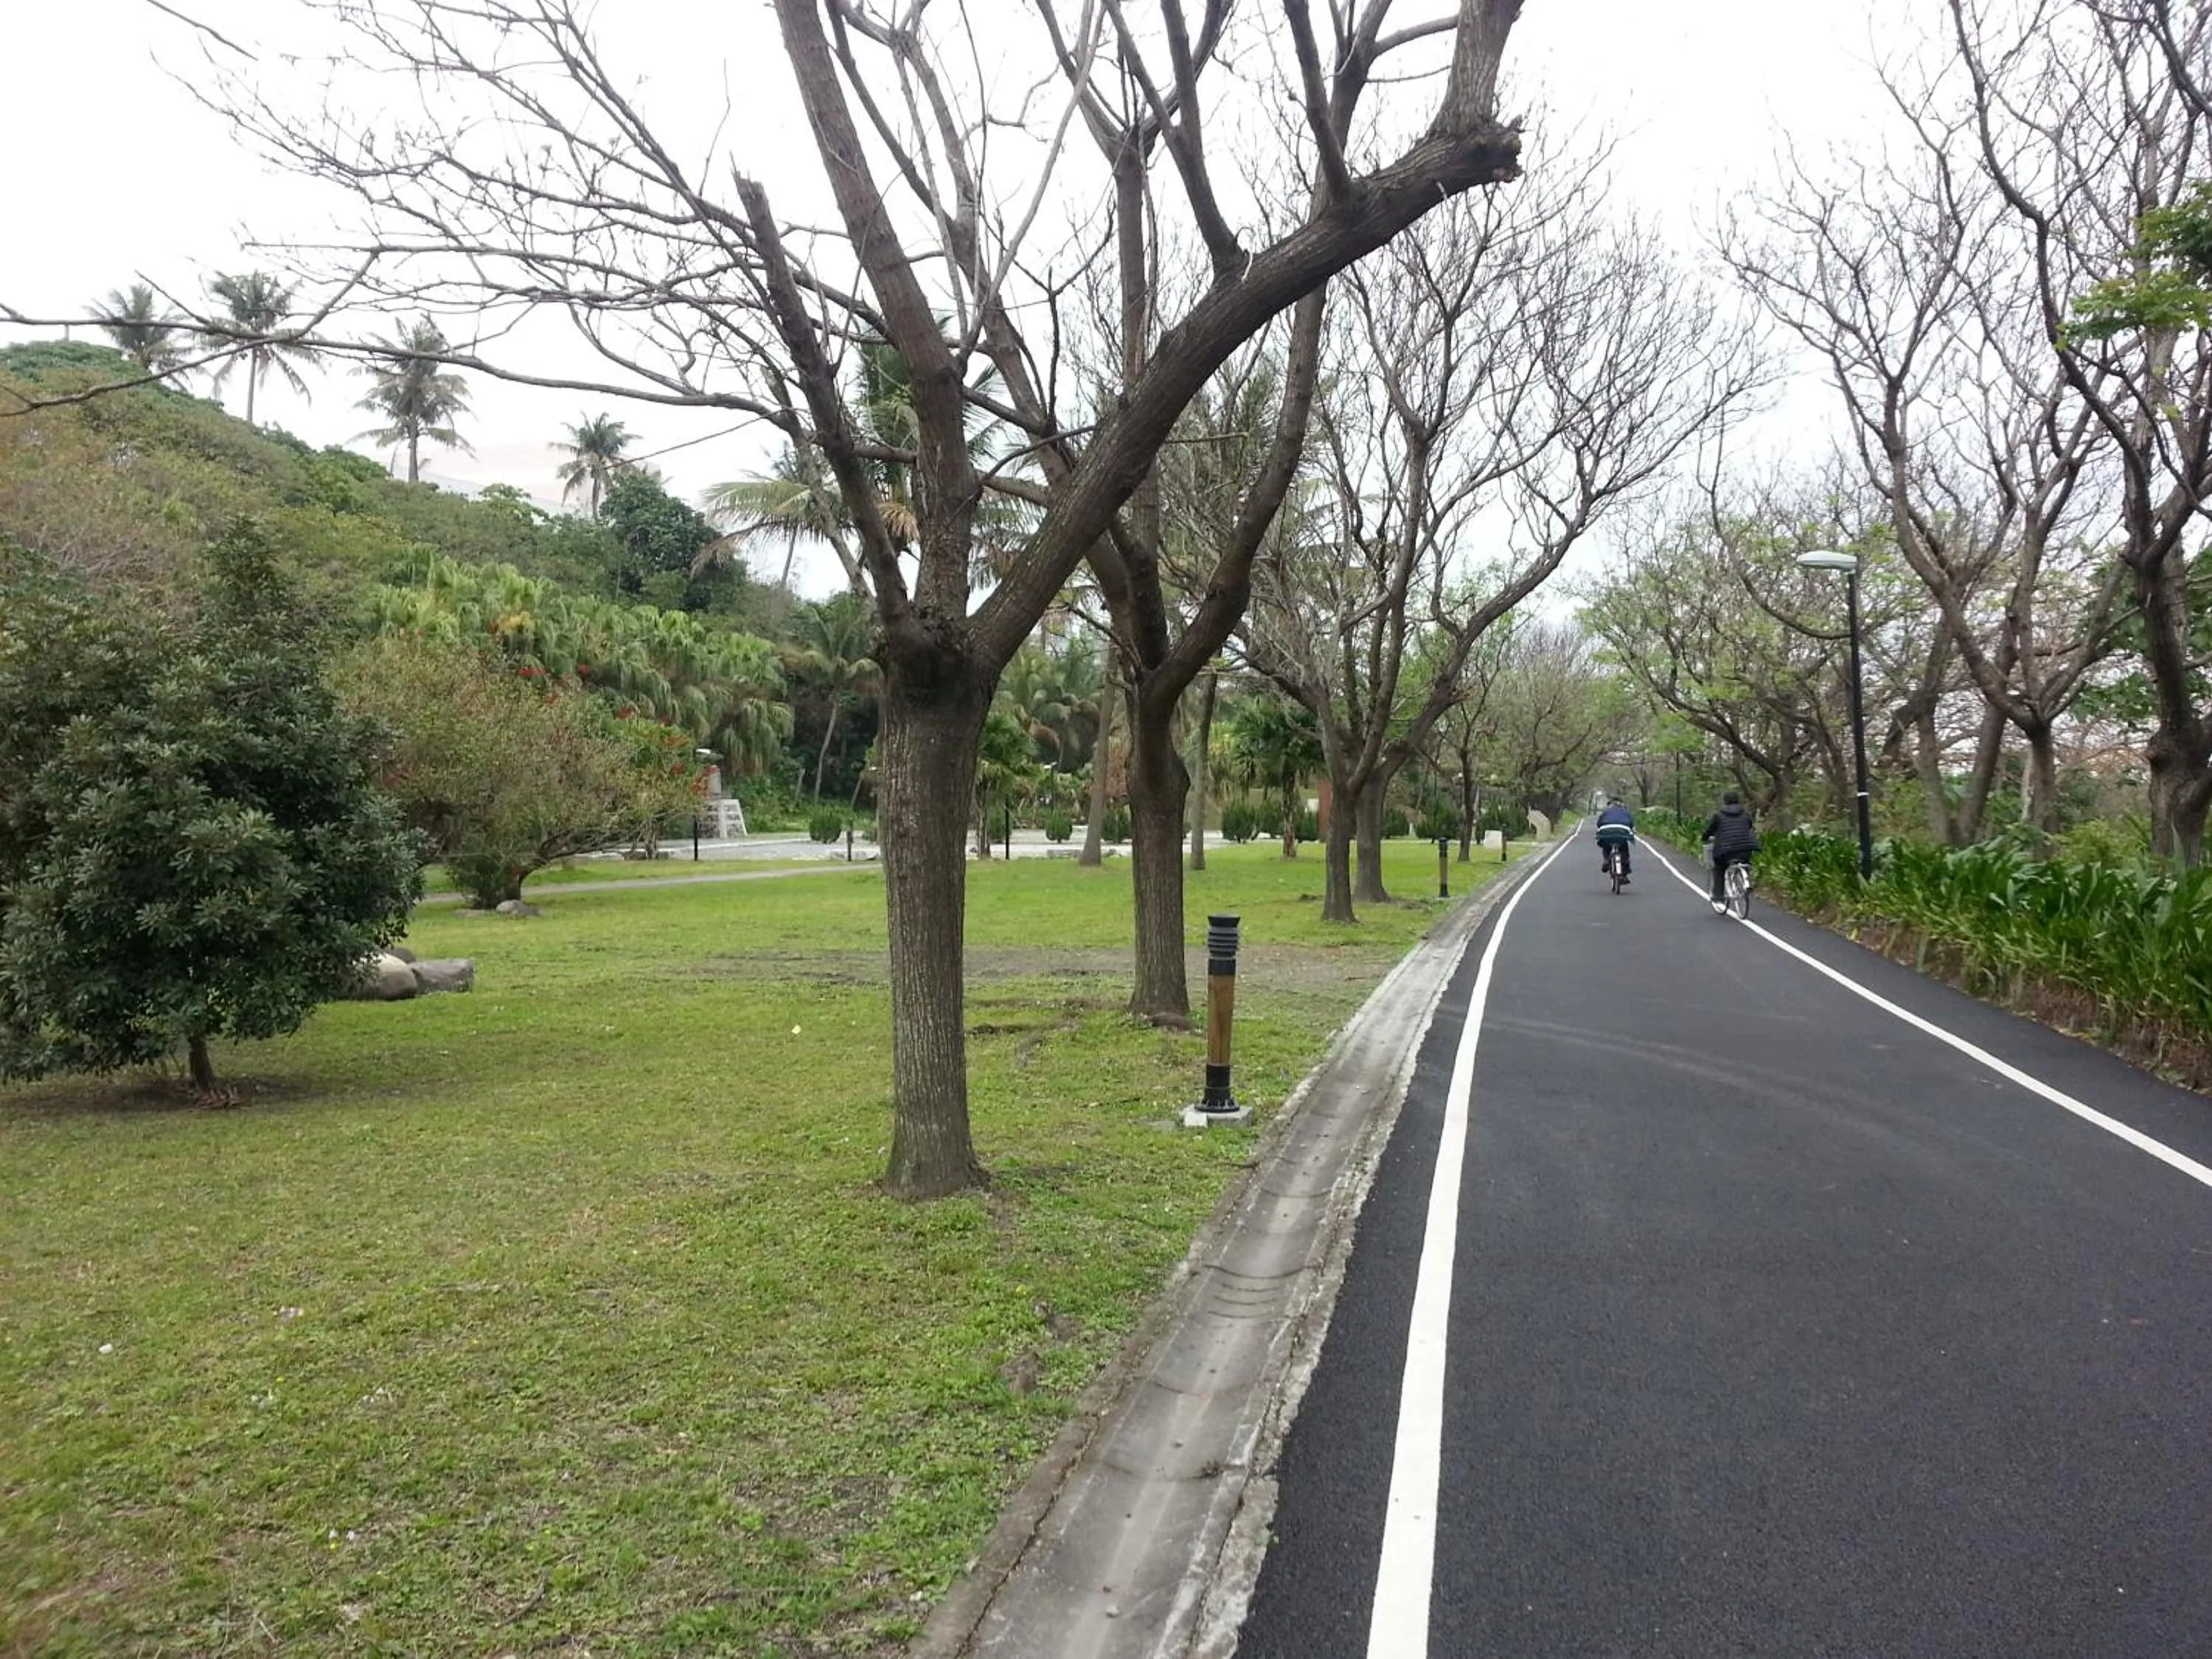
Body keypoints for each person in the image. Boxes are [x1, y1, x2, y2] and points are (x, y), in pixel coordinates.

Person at [1702, 790, 1761, 905]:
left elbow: (1710, 830)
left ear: (1725, 801)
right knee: (1745, 862)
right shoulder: (1745, 814)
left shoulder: (1718, 815)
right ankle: (1747, 881)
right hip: (1745, 848)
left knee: (1719, 868)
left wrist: (1705, 837)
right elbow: (1749, 826)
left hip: (1725, 851)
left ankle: (1718, 895)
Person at [1594, 800, 1635, 882]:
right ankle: (1624, 873)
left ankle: (1606, 860)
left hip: (1606, 831)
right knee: (1624, 848)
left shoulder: (1606, 811)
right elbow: (1631, 824)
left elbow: (1599, 824)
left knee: (1606, 844)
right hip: (1622, 831)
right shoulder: (1626, 811)